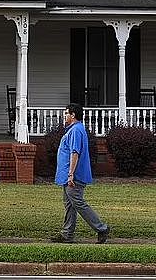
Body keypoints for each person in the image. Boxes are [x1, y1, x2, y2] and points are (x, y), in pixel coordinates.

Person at [51, 103, 110, 244]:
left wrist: (71, 174)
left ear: (73, 115)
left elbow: (75, 152)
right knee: (69, 204)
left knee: (78, 202)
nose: (64, 116)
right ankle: (67, 234)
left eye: (66, 113)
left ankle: (101, 228)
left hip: (74, 176)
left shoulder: (76, 130)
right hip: (67, 175)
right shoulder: (72, 130)